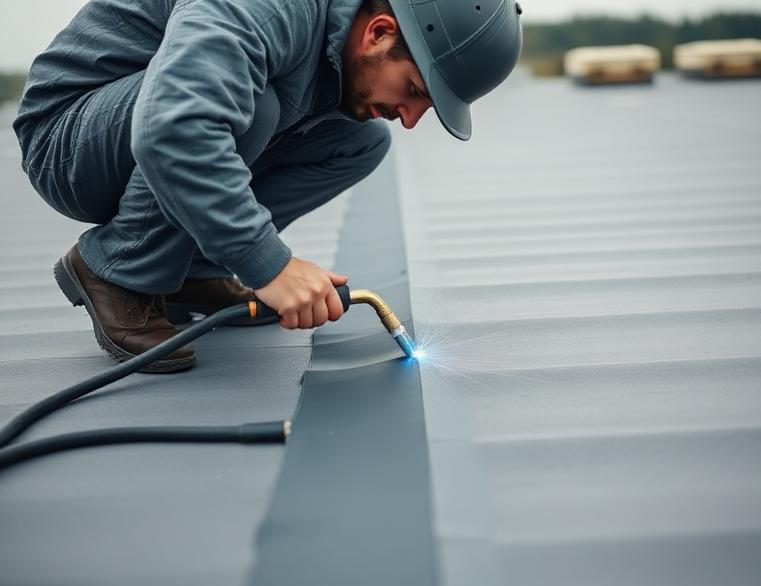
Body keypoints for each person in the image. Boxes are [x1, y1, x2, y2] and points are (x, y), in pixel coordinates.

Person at [13, 0, 523, 372]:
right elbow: (176, 126)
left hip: (139, 131)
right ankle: (119, 266)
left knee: (361, 141)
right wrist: (269, 265)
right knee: (255, 107)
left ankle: (191, 271)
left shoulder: (336, 37)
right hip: (68, 140)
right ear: (378, 32)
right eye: (413, 90)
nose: (409, 118)